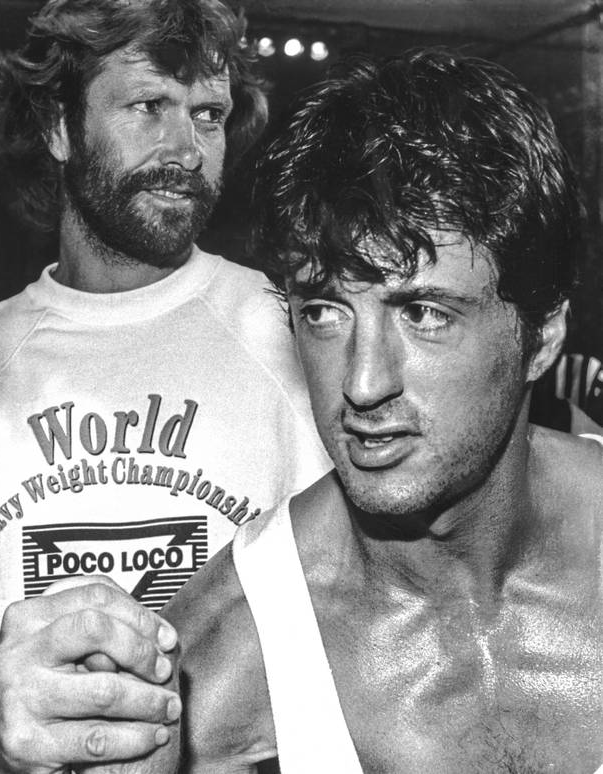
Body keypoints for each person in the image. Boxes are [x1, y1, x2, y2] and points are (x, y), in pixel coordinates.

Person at [0, 0, 332, 771]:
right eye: (149, 107)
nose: (186, 148)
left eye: (208, 114)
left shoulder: (295, 335)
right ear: (57, 125)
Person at [158, 48, 603, 773]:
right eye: (325, 312)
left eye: (424, 313)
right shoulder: (221, 652)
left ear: (542, 337)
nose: (362, 385)